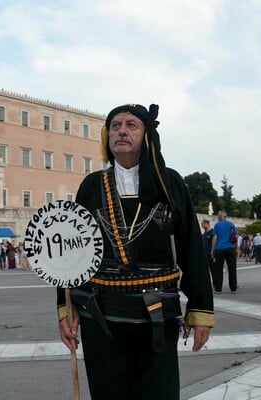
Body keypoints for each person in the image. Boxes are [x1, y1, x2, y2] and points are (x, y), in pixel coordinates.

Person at [57, 104, 214, 399]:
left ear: (147, 135)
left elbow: (191, 246)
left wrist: (200, 308)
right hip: (100, 315)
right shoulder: (91, 186)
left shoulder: (170, 183)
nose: (122, 131)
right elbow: (70, 251)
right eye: (115, 125)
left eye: (131, 125)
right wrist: (65, 308)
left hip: (157, 314)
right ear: (107, 136)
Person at [211, 210, 239, 294]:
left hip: (219, 249)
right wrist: (237, 248)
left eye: (218, 216)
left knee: (218, 270)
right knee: (232, 269)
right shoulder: (231, 224)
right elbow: (235, 237)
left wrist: (212, 249)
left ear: (220, 216)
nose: (217, 217)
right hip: (230, 248)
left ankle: (218, 289)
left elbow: (215, 237)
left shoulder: (217, 225)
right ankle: (233, 289)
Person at [201, 219, 216, 290]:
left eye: (202, 224)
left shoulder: (212, 232)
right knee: (206, 272)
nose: (202, 226)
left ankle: (215, 285)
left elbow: (215, 242)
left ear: (207, 224)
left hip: (211, 254)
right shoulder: (204, 234)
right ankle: (208, 285)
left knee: (214, 271)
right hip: (205, 255)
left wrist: (212, 251)